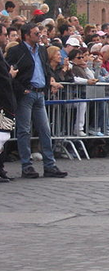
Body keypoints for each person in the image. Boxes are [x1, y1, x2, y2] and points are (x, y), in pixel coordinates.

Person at [5, 22, 67, 179]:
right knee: (24, 130)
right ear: (26, 35)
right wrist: (22, 90)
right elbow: (10, 74)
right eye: (36, 34)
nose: (39, 36)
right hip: (26, 93)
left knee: (45, 130)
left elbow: (45, 68)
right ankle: (26, 165)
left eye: (39, 33)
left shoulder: (41, 50)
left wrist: (48, 83)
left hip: (39, 93)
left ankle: (49, 165)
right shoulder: (16, 51)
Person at [0, 23, 17, 182]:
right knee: (2, 136)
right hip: (2, 104)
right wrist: (10, 75)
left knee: (4, 136)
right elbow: (3, 79)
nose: (6, 37)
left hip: (5, 102)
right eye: (4, 34)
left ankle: (1, 168)